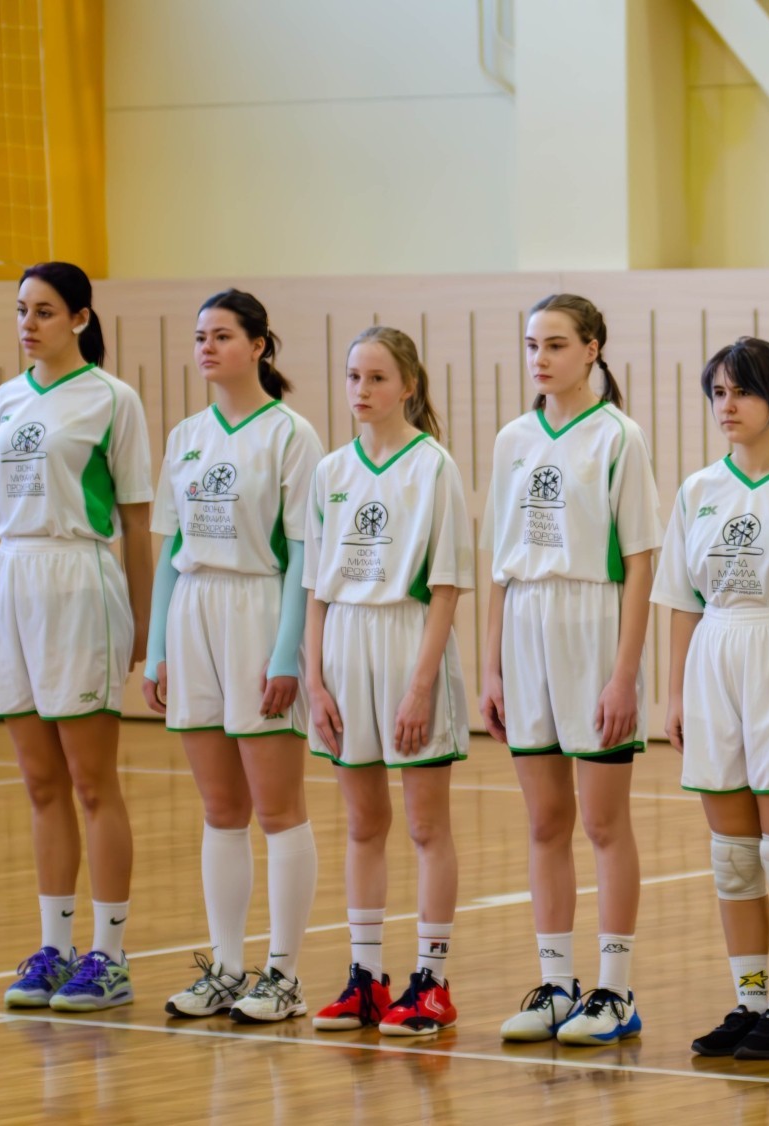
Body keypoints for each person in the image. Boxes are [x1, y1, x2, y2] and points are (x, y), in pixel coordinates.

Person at [481, 294, 662, 1046]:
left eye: (555, 344)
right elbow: (500, 562)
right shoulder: (512, 439)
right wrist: (491, 667)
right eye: (532, 345)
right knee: (544, 821)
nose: (540, 358)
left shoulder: (619, 436)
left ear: (592, 349)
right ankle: (558, 986)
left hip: (592, 624)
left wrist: (624, 674)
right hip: (526, 628)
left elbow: (642, 561)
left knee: (603, 821)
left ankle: (615, 991)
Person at [654, 337, 769, 1061]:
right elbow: (681, 600)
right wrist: (674, 693)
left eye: (741, 392)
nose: (726, 406)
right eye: (718, 394)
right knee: (733, 858)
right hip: (715, 658)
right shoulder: (699, 489)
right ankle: (750, 1001)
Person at [145, 289, 321, 1023]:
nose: (207, 348)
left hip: (258, 609)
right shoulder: (186, 435)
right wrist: (156, 648)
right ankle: (225, 967)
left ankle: (284, 975)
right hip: (194, 611)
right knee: (220, 809)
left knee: (277, 809)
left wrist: (287, 656)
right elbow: (170, 551)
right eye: (200, 337)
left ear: (258, 345)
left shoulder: (291, 435)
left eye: (222, 335)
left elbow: (304, 555)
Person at [304, 327, 475, 1037]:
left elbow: (447, 586)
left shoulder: (433, 466)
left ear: (408, 385)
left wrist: (420, 685)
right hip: (345, 645)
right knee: (362, 823)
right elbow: (315, 586)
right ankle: (366, 979)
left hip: (409, 640)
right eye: (353, 377)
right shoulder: (330, 471)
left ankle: (430, 983)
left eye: (376, 378)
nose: (362, 390)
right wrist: (314, 680)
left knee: (426, 825)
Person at [0, 262, 154, 1012]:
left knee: (93, 782)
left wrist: (146, 629)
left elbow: (137, 525)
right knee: (40, 781)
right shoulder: (6, 397)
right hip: (13, 577)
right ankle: (53, 950)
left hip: (78, 578)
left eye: (45, 311)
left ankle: (110, 957)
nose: (29, 324)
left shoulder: (113, 399)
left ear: (81, 319)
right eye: (22, 310)